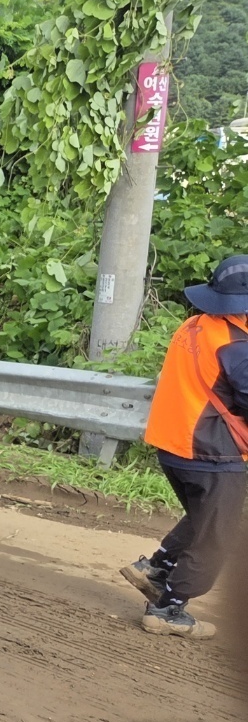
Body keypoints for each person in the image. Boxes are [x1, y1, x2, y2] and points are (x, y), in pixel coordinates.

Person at [121, 255, 248, 639]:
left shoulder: (195, 325)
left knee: (204, 517)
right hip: (210, 451)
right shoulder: (236, 346)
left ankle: (157, 568)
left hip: (173, 444)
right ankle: (168, 608)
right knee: (218, 535)